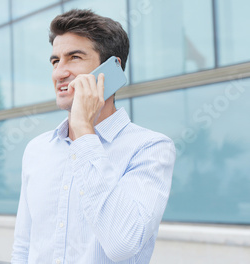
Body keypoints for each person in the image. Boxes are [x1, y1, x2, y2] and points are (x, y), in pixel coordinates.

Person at [11, 9, 176, 264]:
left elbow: (122, 244)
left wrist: (84, 130)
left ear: (112, 68)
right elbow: (23, 247)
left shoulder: (150, 148)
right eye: (55, 61)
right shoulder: (37, 149)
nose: (59, 73)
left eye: (74, 57)